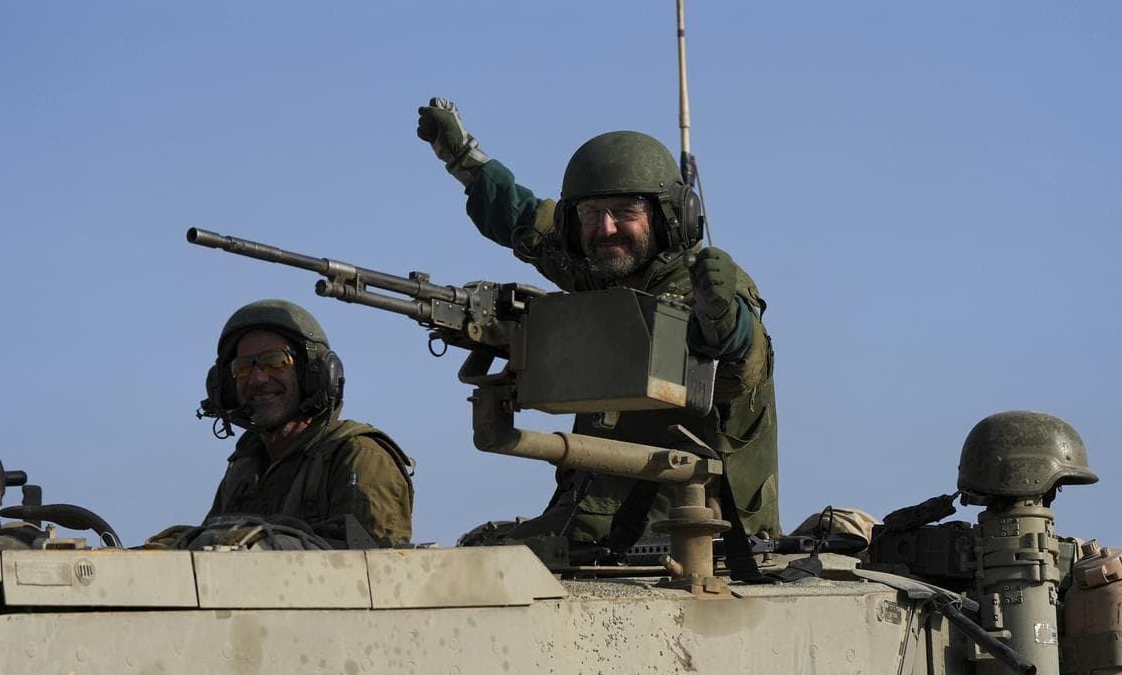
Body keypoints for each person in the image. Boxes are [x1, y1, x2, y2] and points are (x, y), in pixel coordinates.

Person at [417, 98, 780, 550]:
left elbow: (740, 363)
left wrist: (721, 318)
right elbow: (527, 219)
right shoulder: (599, 274)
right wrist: (463, 158)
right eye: (590, 214)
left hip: (690, 531)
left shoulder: (701, 287)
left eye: (626, 212)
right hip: (590, 524)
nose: (605, 229)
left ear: (669, 216)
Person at [197, 299, 414, 546]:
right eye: (243, 368)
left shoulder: (358, 457)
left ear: (313, 373)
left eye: (275, 361)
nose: (257, 378)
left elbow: (376, 572)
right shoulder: (245, 467)